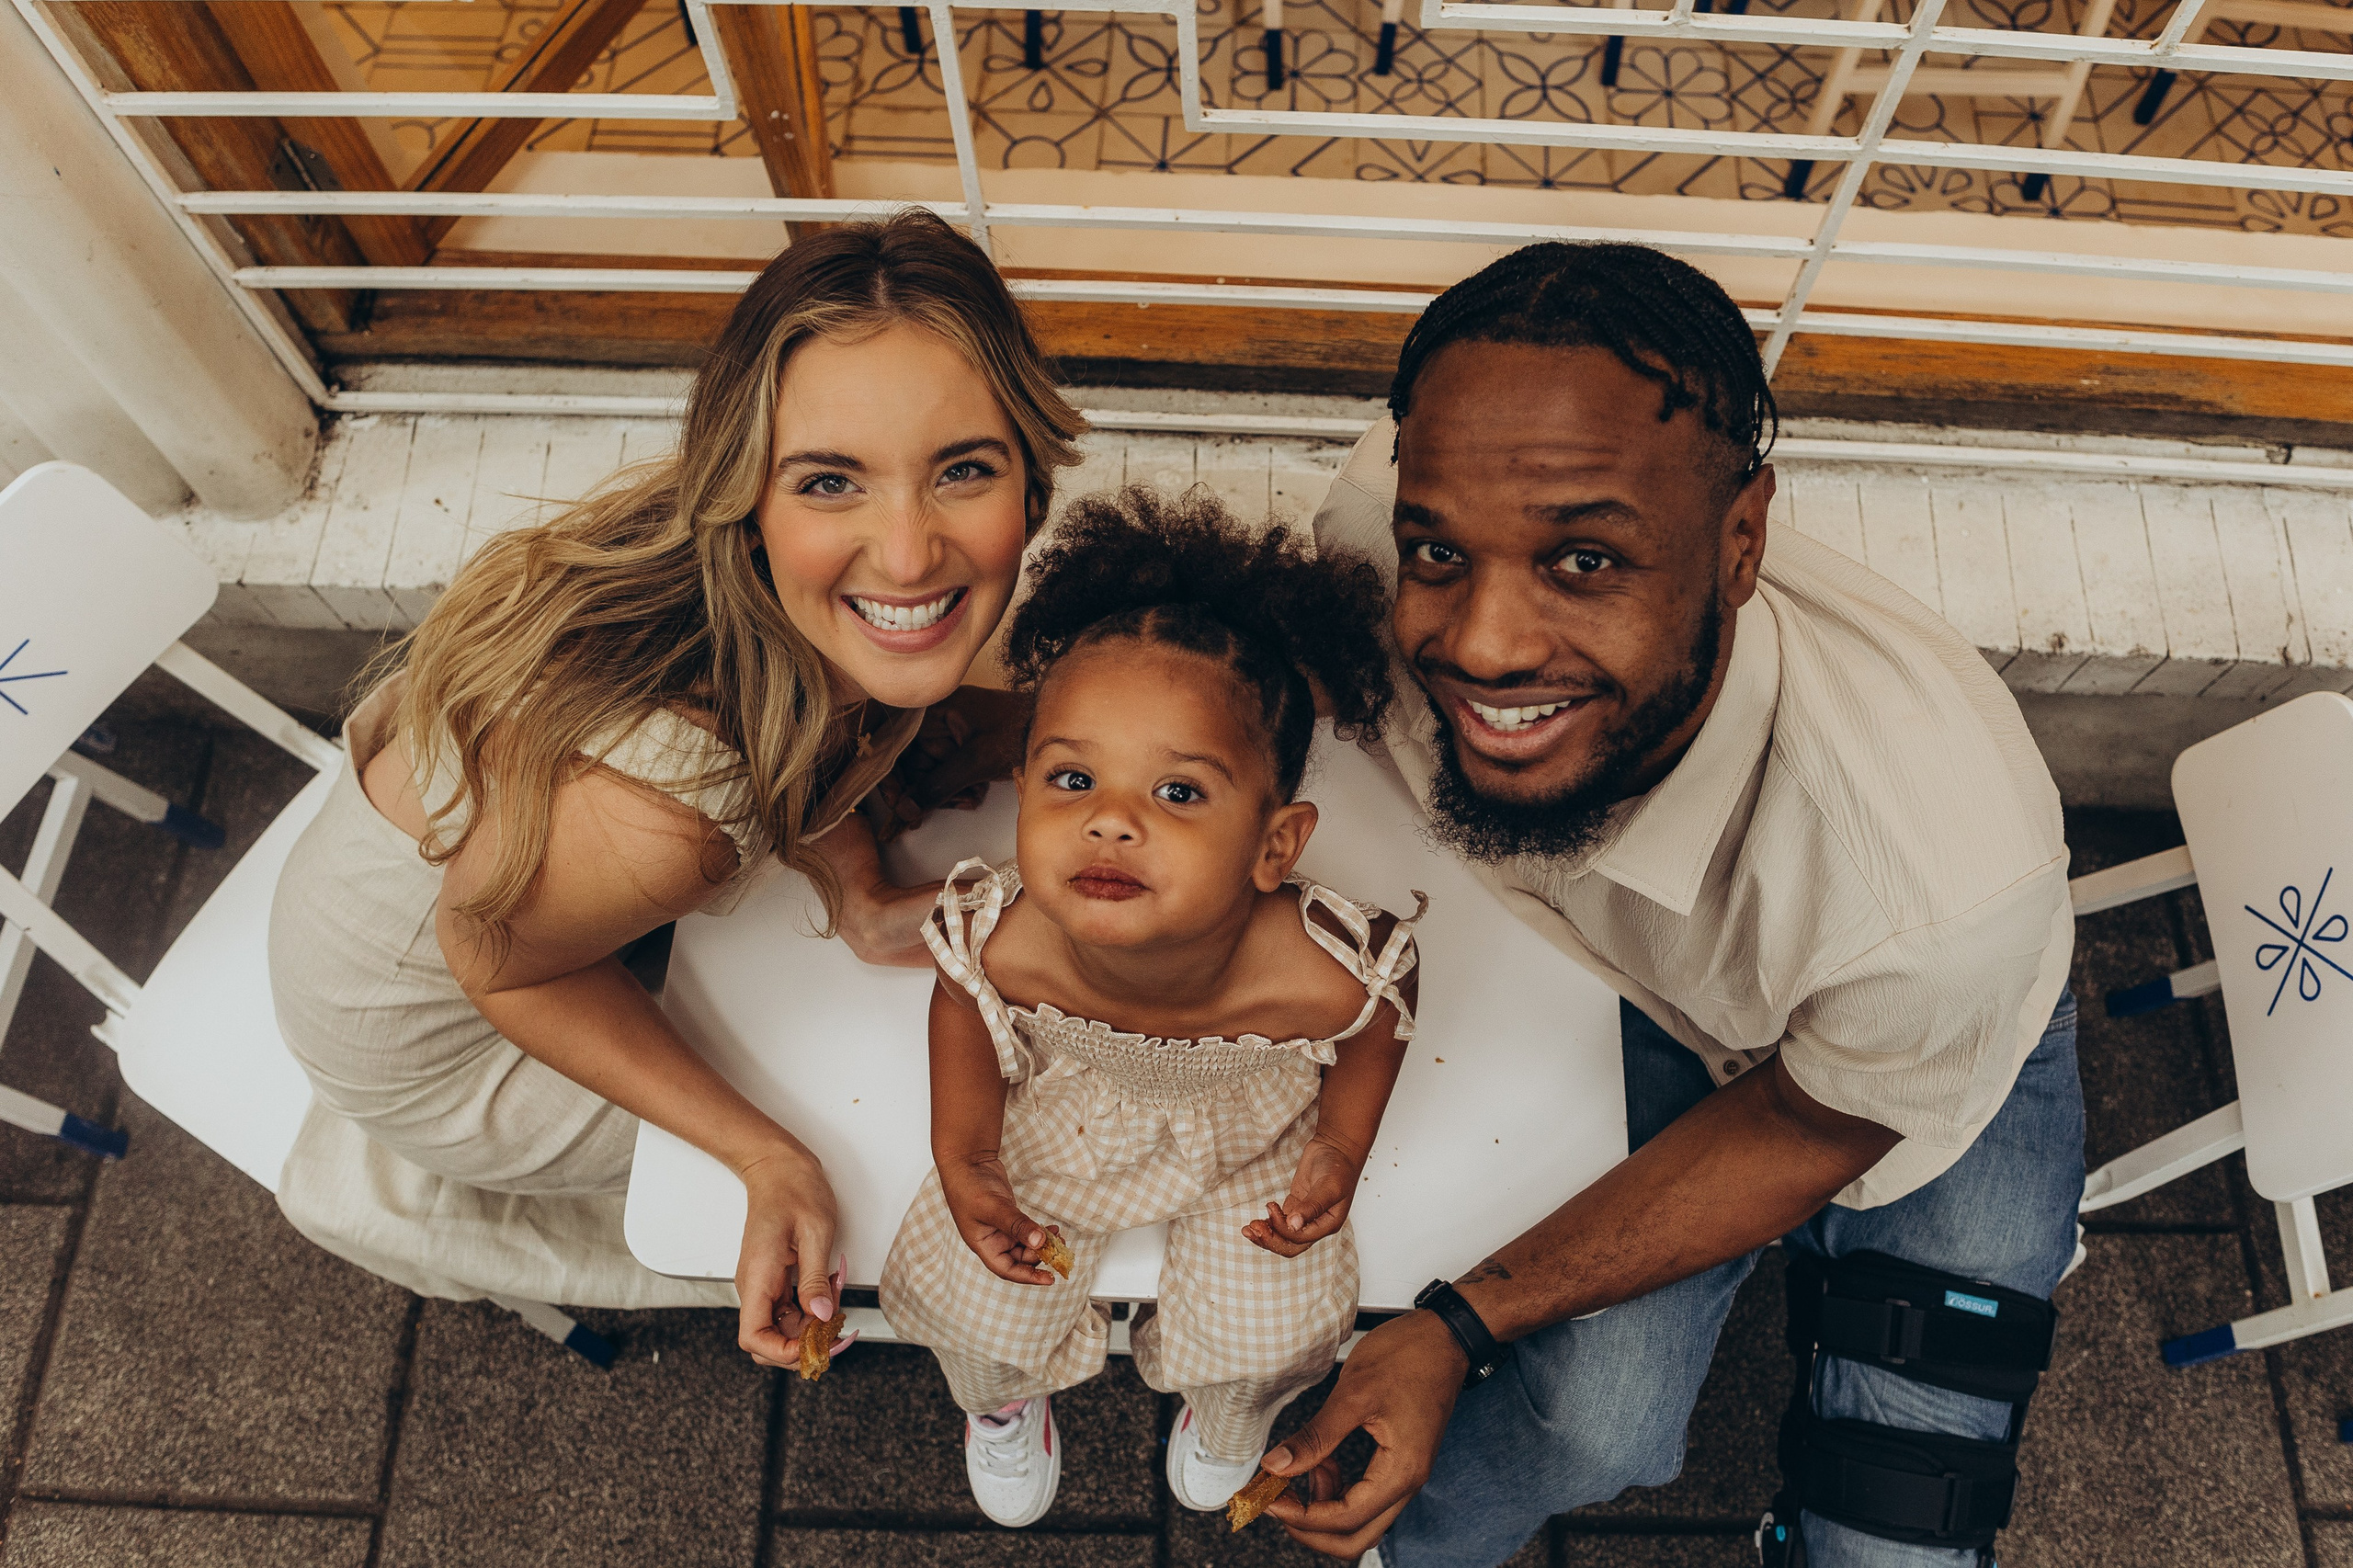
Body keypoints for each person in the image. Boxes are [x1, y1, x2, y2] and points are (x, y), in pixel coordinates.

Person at [1253, 244, 2082, 1568]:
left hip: (1905, 1051)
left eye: (1584, 558)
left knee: (1904, 1526)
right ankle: (1393, 1544)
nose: (1483, 643)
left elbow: (1808, 1117)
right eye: (1441, 551)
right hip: (1657, 994)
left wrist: (1458, 1320)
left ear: (1740, 541)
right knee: (1604, 1427)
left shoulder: (1932, 896)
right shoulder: (1367, 564)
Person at [266, 210, 1083, 1369]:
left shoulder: (798, 603)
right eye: (831, 481)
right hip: (431, 1031)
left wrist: (854, 887)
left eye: (961, 470)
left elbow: (828, 715)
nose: (906, 555)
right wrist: (765, 1157)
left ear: (1029, 476)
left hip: (513, 896)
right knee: (869, 1138)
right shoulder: (672, 815)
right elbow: (492, 956)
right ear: (749, 501)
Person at [875, 491, 1425, 1527]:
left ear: (1275, 843)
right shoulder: (1006, 933)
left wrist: (1339, 1149)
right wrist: (968, 1155)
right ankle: (1001, 1399)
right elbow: (960, 997)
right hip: (1064, 1112)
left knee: (1275, 1321)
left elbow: (1380, 1019)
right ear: (1024, 788)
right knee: (969, 1293)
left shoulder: (1319, 972)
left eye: (1178, 793)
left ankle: (1228, 1407)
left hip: (1251, 1127)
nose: (1111, 822)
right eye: (1072, 777)